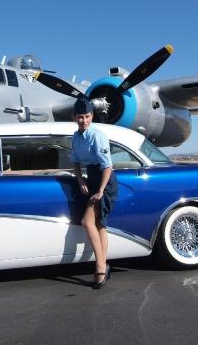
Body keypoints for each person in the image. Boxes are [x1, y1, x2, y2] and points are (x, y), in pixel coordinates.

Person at [70, 97, 118, 289]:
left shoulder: (97, 136)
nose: (84, 120)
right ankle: (104, 266)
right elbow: (75, 162)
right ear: (74, 118)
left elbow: (107, 166)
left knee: (86, 221)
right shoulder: (75, 137)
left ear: (92, 116)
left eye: (87, 116)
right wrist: (80, 180)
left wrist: (100, 190)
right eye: (80, 117)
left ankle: (100, 269)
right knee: (99, 225)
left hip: (105, 181)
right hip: (91, 178)